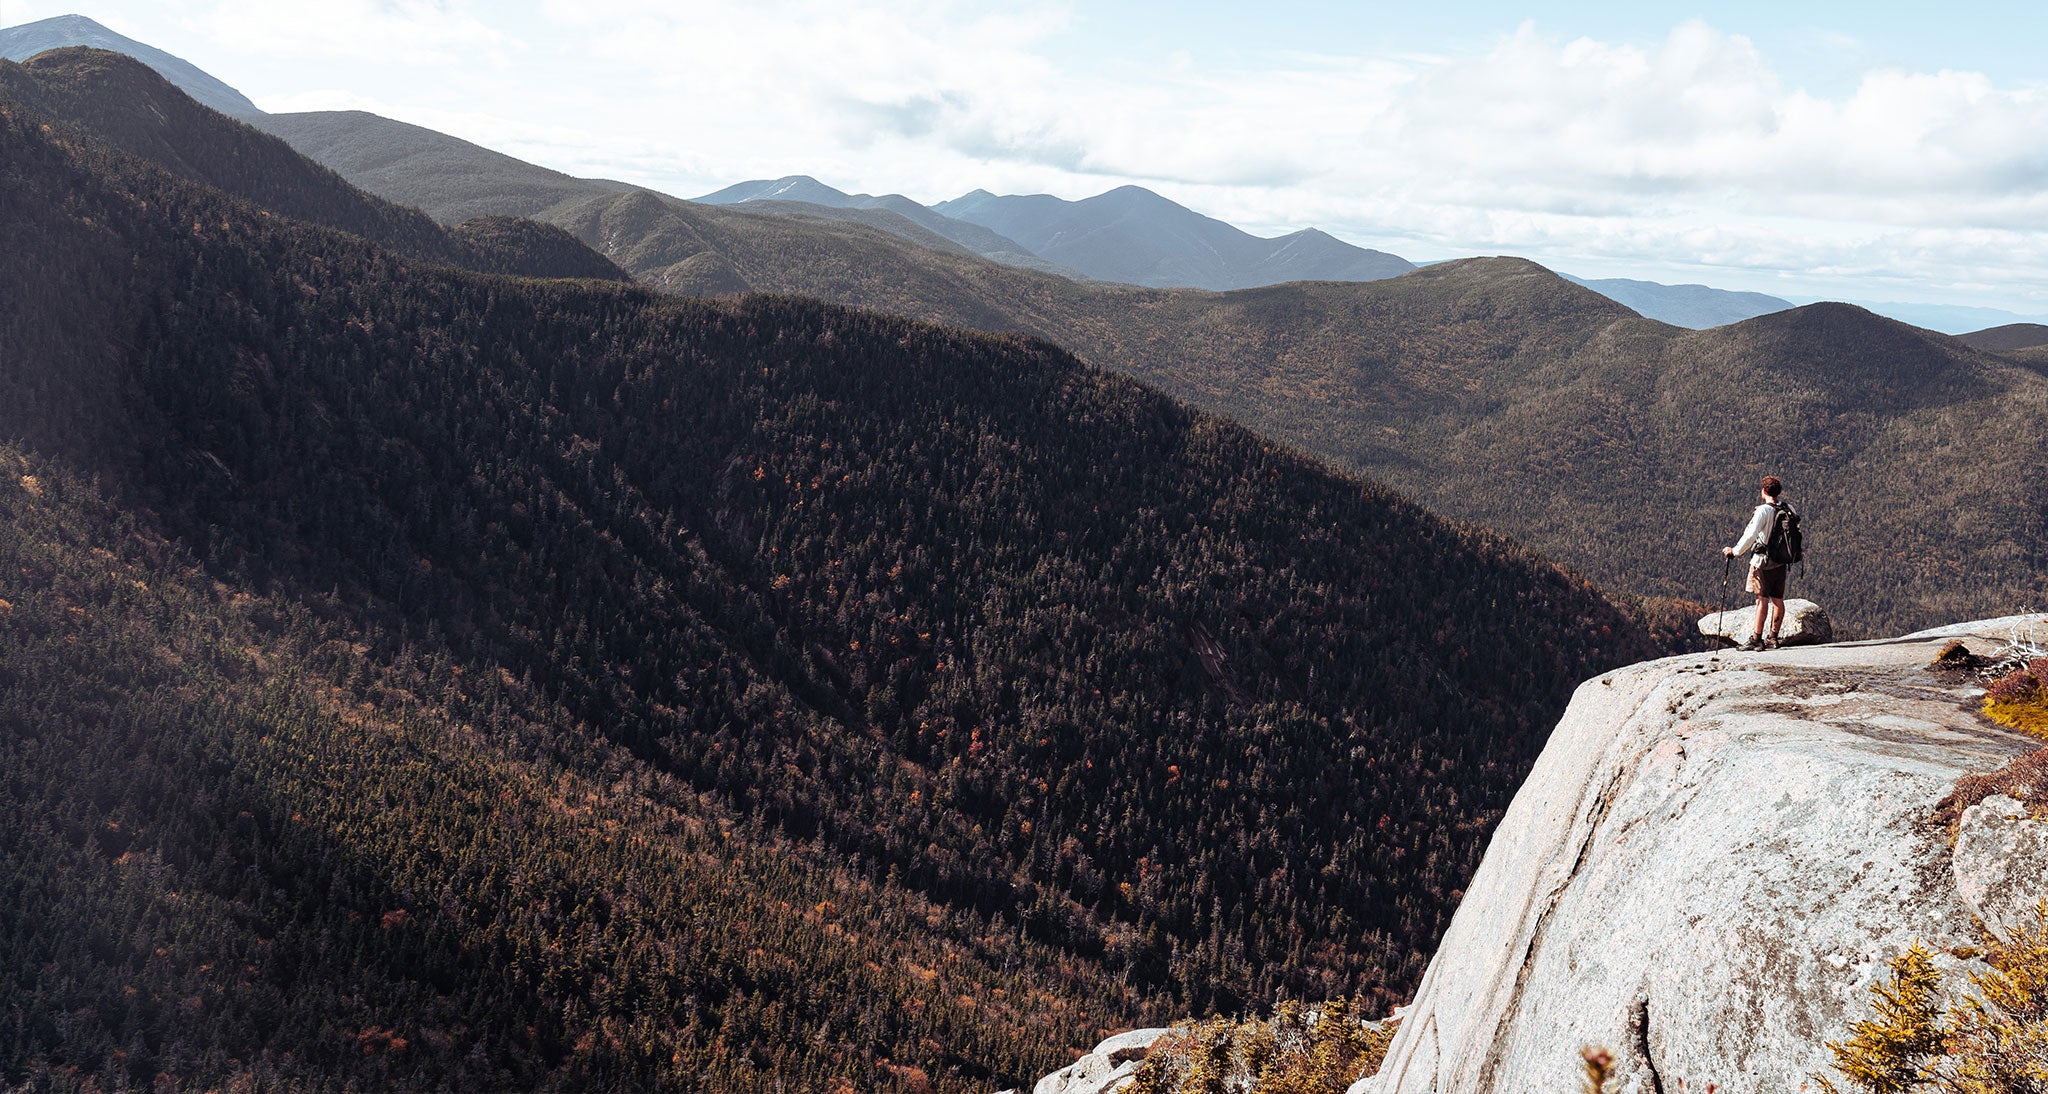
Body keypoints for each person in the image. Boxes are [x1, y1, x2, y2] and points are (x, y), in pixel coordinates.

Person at [1723, 475, 1791, 650]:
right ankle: (1773, 637)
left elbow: (1751, 535)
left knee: (1761, 600)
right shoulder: (1788, 508)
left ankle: (1756, 639)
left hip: (1762, 562)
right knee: (1778, 599)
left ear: (1764, 491)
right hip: (1781, 561)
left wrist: (1735, 552)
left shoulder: (1763, 511)